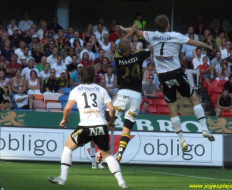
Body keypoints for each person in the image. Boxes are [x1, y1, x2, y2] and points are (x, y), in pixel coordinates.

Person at [121, 14, 215, 152]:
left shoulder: (151, 35)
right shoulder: (176, 35)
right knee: (194, 100)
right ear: (168, 25)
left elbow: (136, 31)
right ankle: (204, 129)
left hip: (164, 77)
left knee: (172, 111)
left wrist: (125, 29)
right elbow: (197, 44)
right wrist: (208, 47)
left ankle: (182, 140)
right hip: (176, 73)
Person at [48, 66, 129, 189]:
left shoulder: (77, 90)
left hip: (85, 126)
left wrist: (64, 119)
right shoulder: (101, 89)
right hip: (101, 126)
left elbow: (68, 108)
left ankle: (63, 178)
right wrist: (111, 121)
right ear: (94, 77)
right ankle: (122, 182)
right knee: (108, 155)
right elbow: (112, 109)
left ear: (81, 77)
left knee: (68, 148)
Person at [104, 24, 151, 163]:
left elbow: (121, 45)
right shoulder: (139, 54)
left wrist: (129, 32)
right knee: (127, 128)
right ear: (131, 48)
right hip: (136, 96)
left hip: (123, 93)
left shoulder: (118, 56)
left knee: (107, 119)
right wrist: (136, 31)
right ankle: (119, 153)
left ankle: (104, 149)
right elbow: (152, 49)